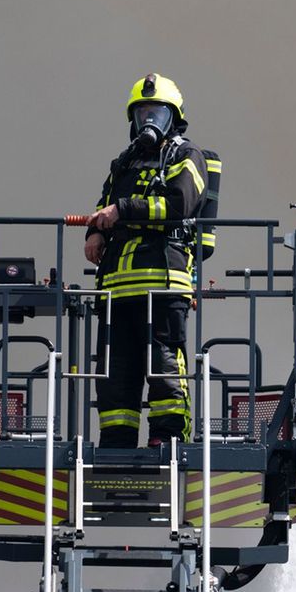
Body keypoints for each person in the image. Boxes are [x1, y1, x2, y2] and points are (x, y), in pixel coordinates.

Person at [84, 73, 213, 449]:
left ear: (173, 117)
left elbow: (178, 205)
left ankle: (168, 440)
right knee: (114, 375)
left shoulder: (188, 157)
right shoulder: (122, 164)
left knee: (164, 368)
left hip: (163, 283)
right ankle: (116, 441)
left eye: (156, 112)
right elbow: (101, 210)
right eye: (141, 113)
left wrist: (121, 210)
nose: (148, 121)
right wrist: (94, 233)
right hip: (115, 292)